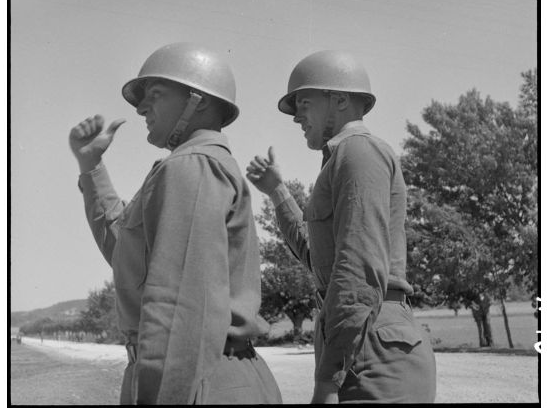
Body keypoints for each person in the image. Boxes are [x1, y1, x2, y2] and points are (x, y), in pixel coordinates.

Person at [69, 43, 282, 405]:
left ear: (196, 101)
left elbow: (178, 311)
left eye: (155, 95)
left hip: (195, 382)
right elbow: (127, 255)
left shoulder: (191, 167)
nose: (140, 108)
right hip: (204, 379)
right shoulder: (190, 166)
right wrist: (91, 168)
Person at [246, 50, 436, 404]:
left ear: (340, 99)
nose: (297, 117)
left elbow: (359, 271)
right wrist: (277, 191)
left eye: (304, 103)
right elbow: (316, 255)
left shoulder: (359, 152)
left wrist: (327, 381)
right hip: (360, 338)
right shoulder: (340, 161)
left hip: (373, 343)